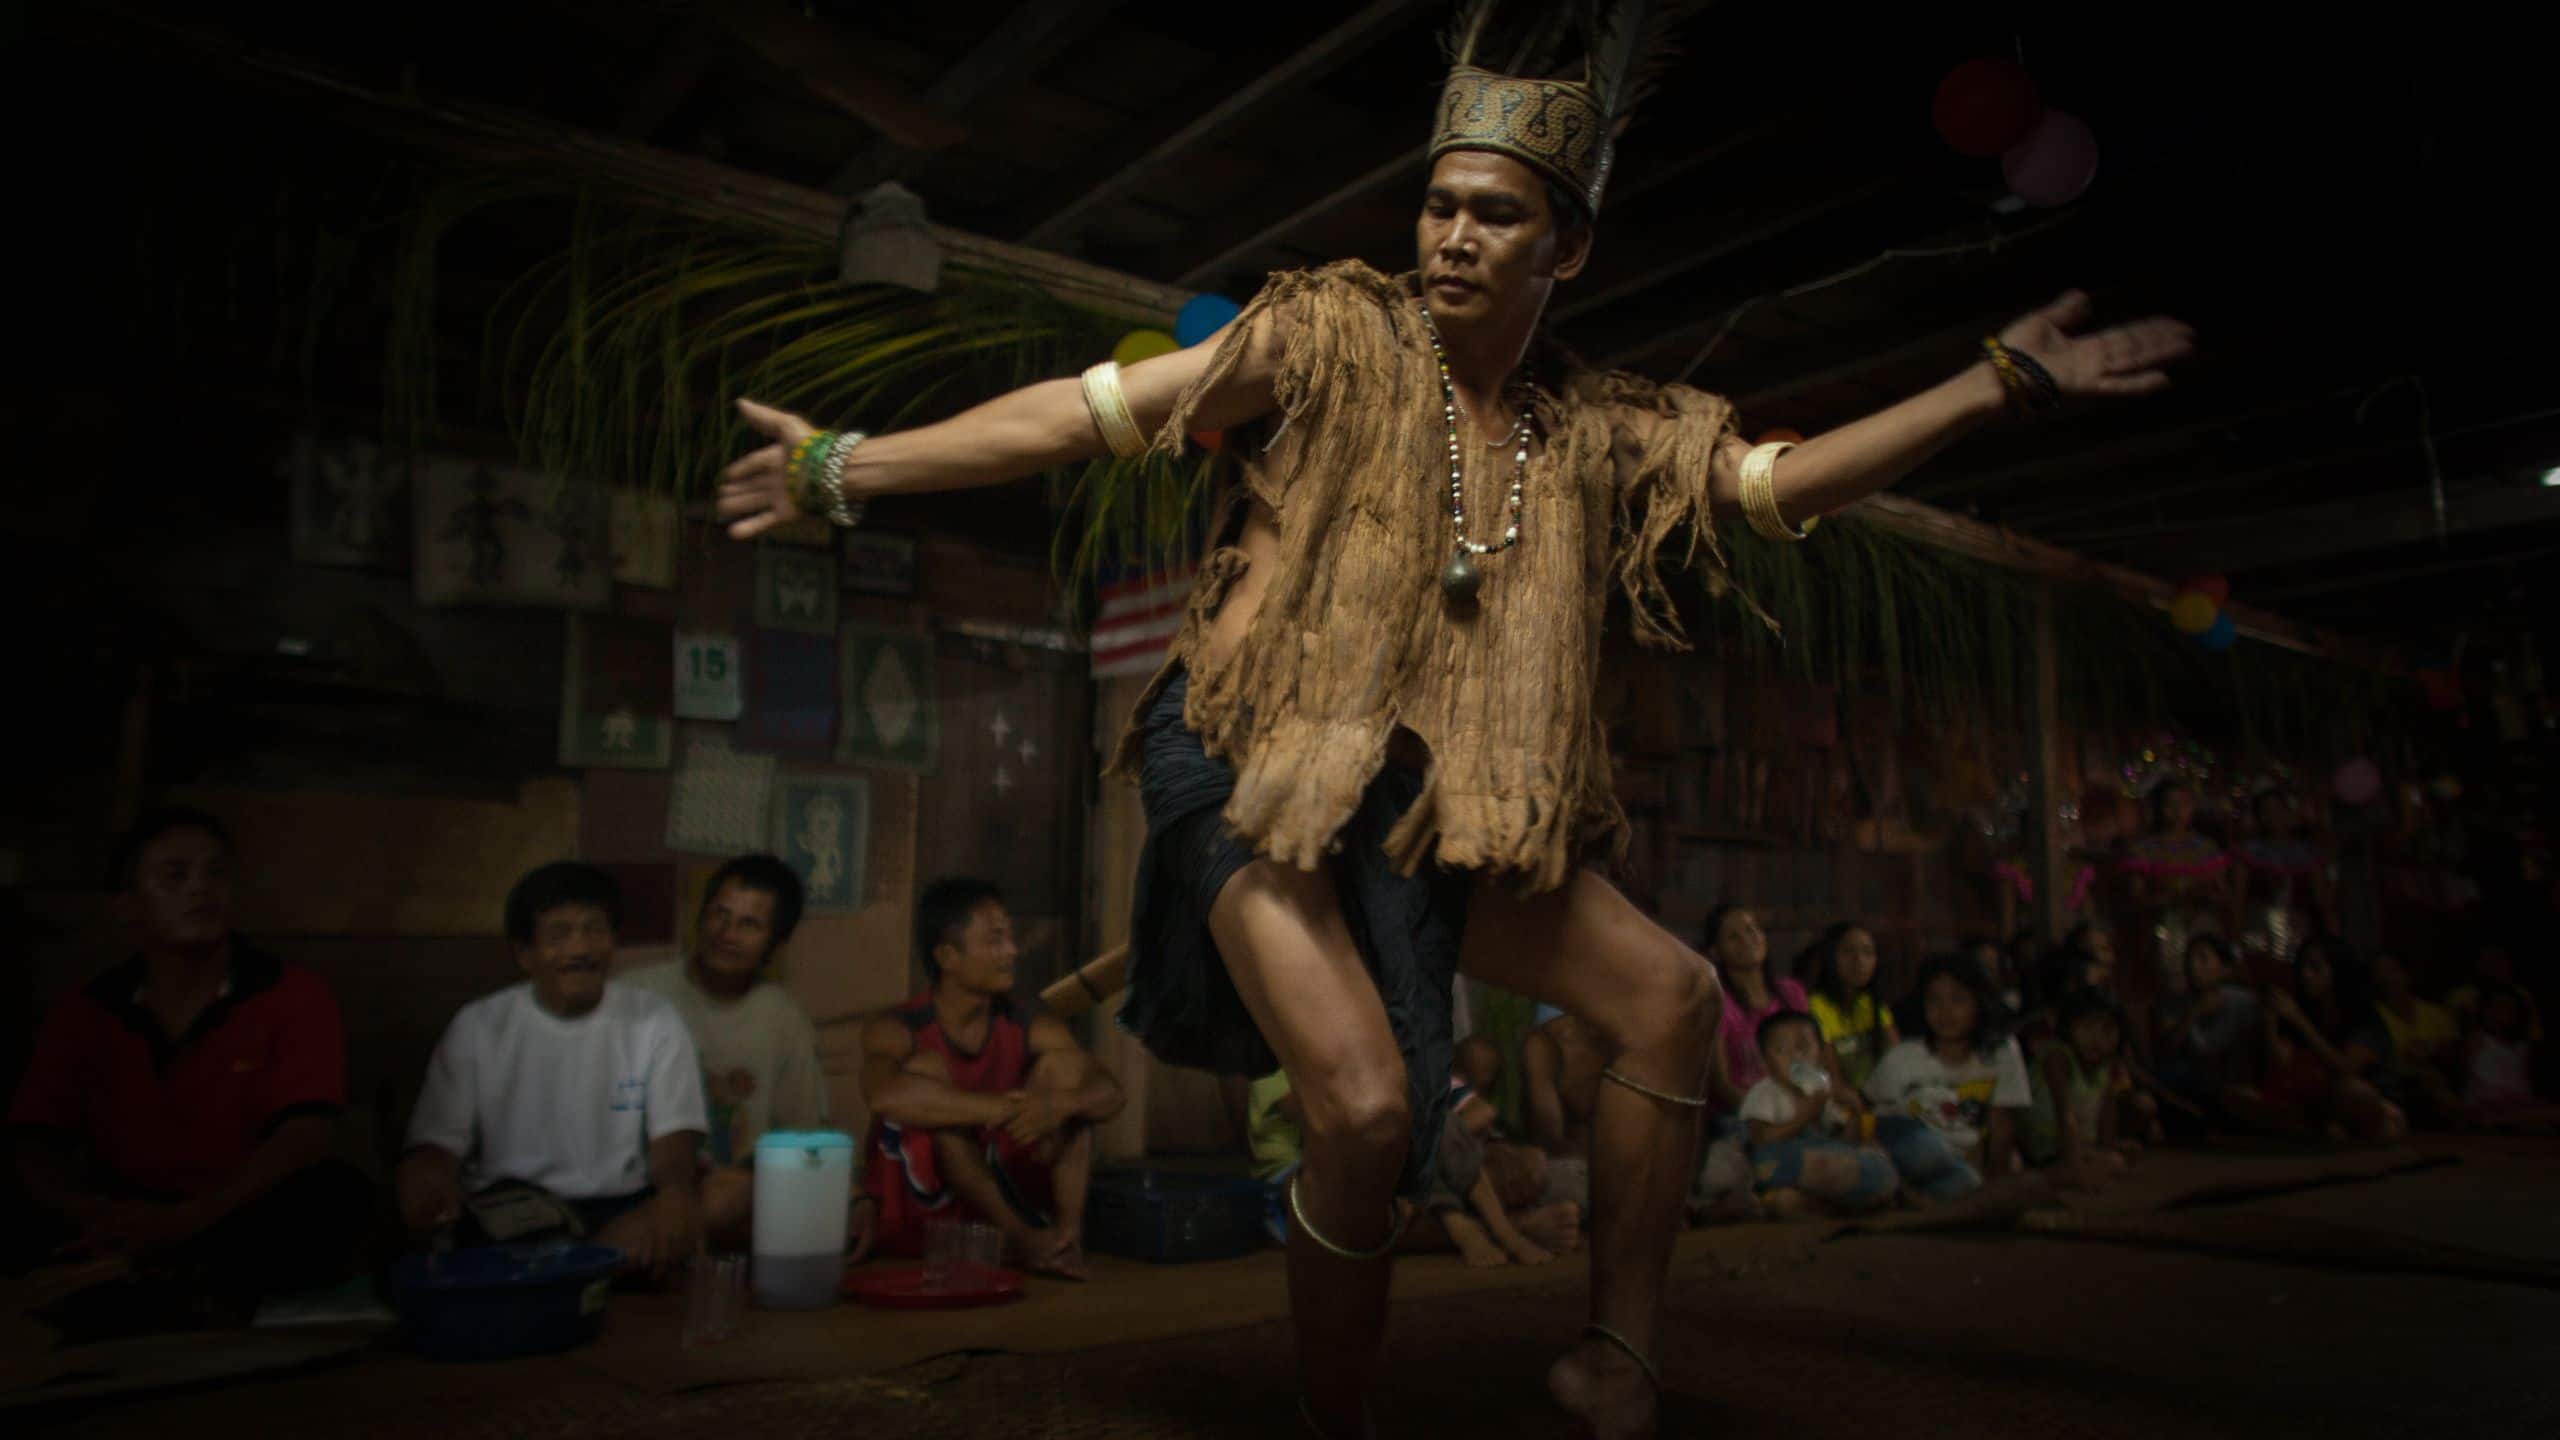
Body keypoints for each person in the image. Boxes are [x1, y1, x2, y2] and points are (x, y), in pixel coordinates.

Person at [717, 12, 2189, 1429]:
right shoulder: (1332, 338)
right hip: (1253, 768)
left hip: (1440, 808)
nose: (1452, 238)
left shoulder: (1600, 426)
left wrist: (1995, 385)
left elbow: (1776, 489)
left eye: (1493, 214)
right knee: (1356, 1113)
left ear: (1571, 245)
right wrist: (849, 471)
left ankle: (1620, 1356)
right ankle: (1337, 1418)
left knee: (1672, 999)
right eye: (1439, 208)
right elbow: (1093, 410)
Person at [6, 809, 370, 1311]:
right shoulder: (89, 1009)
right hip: (126, 1205)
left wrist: (190, 1219)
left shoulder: (290, 993)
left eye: (215, 873)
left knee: (332, 1198)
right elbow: (34, 1140)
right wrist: (90, 1212)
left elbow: (304, 1135)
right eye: (175, 876)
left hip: (238, 1209)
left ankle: (179, 1280)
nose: (201, 889)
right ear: (127, 906)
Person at [396, 862, 708, 1283]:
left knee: (727, 1196)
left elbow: (676, 1138)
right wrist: (426, 1179)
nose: (580, 949)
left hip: (620, 1209)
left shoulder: (654, 1019)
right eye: (560, 934)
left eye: (594, 930)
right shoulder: (479, 1025)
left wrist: (673, 1193)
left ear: (613, 942)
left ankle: (578, 1266)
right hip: (511, 1212)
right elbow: (436, 1145)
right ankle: (585, 1268)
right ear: (525, 954)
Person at [859, 876, 1123, 1280]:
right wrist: (1000, 1108)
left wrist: (1058, 1105)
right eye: (996, 940)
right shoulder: (900, 1026)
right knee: (926, 1080)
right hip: (923, 1218)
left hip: (994, 1184)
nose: (1012, 951)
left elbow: (1110, 1092)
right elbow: (882, 1096)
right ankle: (1024, 1239)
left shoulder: (1023, 1019)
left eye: (1010, 938)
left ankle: (1064, 1241)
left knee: (1066, 1072)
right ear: (948, 956)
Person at [620, 854, 871, 1259]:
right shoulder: (638, 996)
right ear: (700, 918)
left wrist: (854, 1199)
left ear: (776, 944)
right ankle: (607, 1255)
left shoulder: (782, 1018)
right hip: (637, 1181)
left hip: (726, 1194)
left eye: (749, 924)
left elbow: (805, 1134)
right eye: (719, 914)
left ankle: (624, 1253)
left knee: (745, 1194)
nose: (727, 933)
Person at [1865, 955, 2032, 1199]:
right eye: (1934, 1001)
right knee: (1930, 1150)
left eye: (1958, 999)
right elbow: (1869, 1116)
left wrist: (1994, 1182)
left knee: (1970, 1180)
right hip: (1906, 1147)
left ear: (1979, 1002)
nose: (1945, 1012)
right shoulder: (1904, 1056)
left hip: (1958, 1164)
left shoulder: (2001, 1052)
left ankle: (1914, 1199)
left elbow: (2002, 1125)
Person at [1739, 1013, 1893, 1217]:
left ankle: (1815, 1203)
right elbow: (1761, 1139)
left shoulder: (1821, 1090)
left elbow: (1846, 1143)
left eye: (1803, 1047)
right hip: (1778, 1162)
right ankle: (1858, 1197)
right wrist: (1808, 1114)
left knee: (1872, 1153)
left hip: (1820, 1164)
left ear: (1820, 1055)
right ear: (1765, 1062)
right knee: (1774, 1161)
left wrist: (1854, 1113)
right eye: (1781, 1049)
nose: (1795, 1056)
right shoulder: (1765, 1092)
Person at [2260, 934, 2405, 1142]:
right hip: (2322, 1097)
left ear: (2337, 971)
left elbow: (2346, 1068)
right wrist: (2270, 1021)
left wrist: (2300, 1021)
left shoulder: (2362, 1014)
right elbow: (2282, 1063)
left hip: (2372, 1099)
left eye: (2315, 967)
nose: (2305, 974)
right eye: (2303, 967)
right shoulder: (2308, 1008)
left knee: (2352, 1092)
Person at [2116, 780, 2237, 1005]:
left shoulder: (2207, 848)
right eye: (2169, 805)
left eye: (2183, 804)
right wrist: (2168, 899)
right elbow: (2136, 899)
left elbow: (2223, 894)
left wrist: (2205, 897)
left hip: (2202, 925)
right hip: (2163, 928)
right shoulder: (2144, 850)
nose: (2176, 812)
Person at [2154, 935, 2289, 1136]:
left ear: (2224, 968)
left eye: (2203, 959)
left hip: (2230, 1078)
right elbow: (2167, 1051)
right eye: (2189, 960)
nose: (2193, 966)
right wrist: (2193, 1014)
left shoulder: (2243, 1002)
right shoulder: (2175, 1002)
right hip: (2190, 1080)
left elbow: (2259, 1046)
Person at [2026, 988, 2136, 1189]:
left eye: (2106, 1030)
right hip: (2043, 1148)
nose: (2095, 1039)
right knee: (2110, 1164)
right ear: (2069, 1027)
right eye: (2086, 1027)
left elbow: (2107, 1121)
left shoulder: (2108, 1067)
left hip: (2078, 1147)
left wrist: (2106, 1151)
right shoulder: (2058, 1057)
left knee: (2116, 1160)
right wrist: (2078, 1169)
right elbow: (2064, 1115)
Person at [2369, 950, 2463, 1128]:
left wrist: (2433, 1050)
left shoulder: (2435, 1013)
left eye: (2392, 970)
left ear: (2407, 974)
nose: (2387, 978)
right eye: (2379, 972)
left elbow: (2455, 1052)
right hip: (2394, 1085)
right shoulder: (2374, 1015)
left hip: (2436, 1080)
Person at [1803, 922, 1897, 1093]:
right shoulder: (1817, 1005)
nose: (1859, 960)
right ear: (1830, 957)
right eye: (1848, 951)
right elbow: (1834, 1080)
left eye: (1867, 952)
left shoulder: (1872, 1003)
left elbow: (1898, 1058)